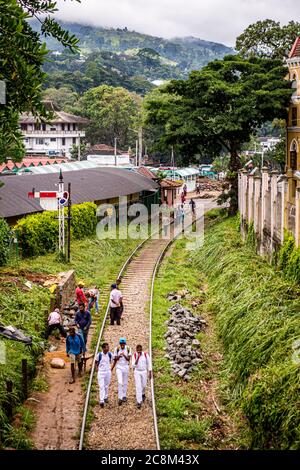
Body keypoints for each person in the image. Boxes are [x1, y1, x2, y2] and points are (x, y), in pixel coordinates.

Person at [111, 338, 132, 405]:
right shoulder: (116, 349)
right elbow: (115, 359)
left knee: (125, 382)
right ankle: (120, 397)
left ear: (125, 344)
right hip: (119, 366)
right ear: (120, 344)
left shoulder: (128, 349)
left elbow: (128, 359)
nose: (122, 345)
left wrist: (124, 355)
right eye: (121, 344)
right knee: (120, 381)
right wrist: (119, 356)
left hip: (125, 366)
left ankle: (124, 395)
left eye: (123, 344)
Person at [132, 345, 152, 409]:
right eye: (138, 350)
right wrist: (137, 357)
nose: (139, 351)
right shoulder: (134, 355)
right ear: (136, 350)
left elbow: (149, 363)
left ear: (142, 349)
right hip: (137, 372)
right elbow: (133, 366)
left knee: (144, 385)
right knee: (138, 386)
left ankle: (143, 393)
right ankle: (139, 401)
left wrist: (150, 372)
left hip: (144, 372)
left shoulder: (146, 355)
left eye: (140, 350)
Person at [95, 343, 114, 408]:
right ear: (103, 348)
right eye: (106, 347)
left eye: (108, 347)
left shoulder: (110, 354)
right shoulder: (99, 355)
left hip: (108, 372)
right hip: (101, 372)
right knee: (101, 386)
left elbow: (115, 359)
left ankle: (105, 397)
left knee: (106, 385)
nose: (108, 348)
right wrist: (97, 368)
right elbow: (96, 361)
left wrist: (112, 368)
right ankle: (101, 400)